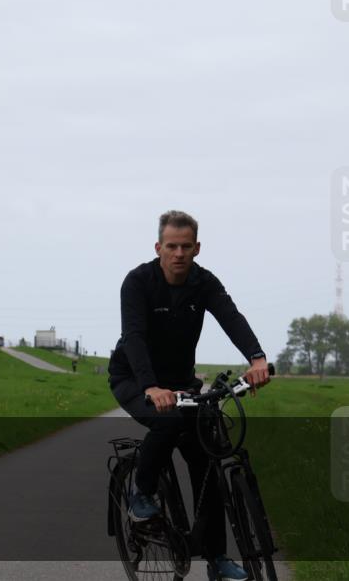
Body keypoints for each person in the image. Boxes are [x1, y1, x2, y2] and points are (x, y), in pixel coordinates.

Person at [108, 210, 271, 581]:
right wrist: (150, 386)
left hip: (182, 383)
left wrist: (257, 358)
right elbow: (132, 336)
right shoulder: (137, 282)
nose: (179, 253)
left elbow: (231, 316)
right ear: (158, 247)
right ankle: (141, 495)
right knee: (165, 423)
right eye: (171, 246)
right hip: (133, 378)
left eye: (186, 246)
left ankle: (217, 558)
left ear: (197, 248)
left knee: (208, 457)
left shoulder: (204, 283)